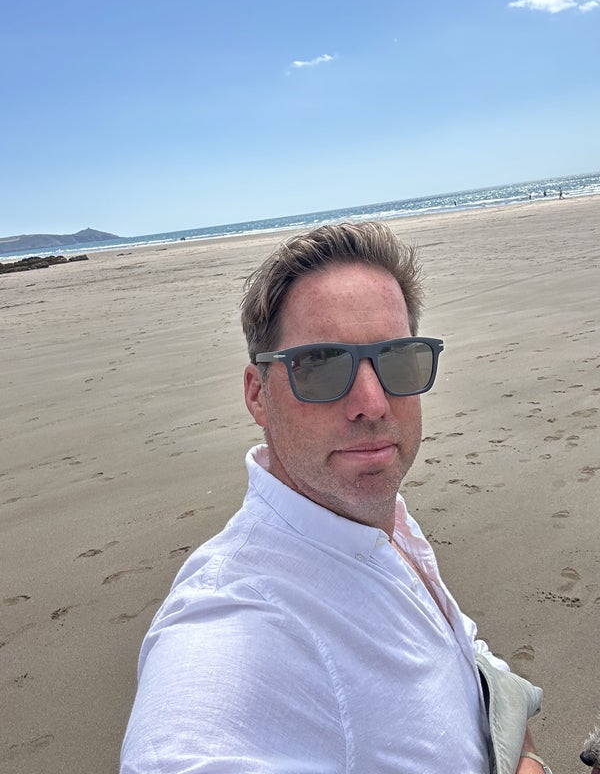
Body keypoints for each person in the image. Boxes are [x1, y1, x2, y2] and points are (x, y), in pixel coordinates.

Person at [121, 222, 549, 773]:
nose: (372, 402)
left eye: (398, 358)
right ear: (258, 394)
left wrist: (525, 756)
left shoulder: (374, 520)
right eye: (321, 365)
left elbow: (462, 656)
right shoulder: (232, 619)